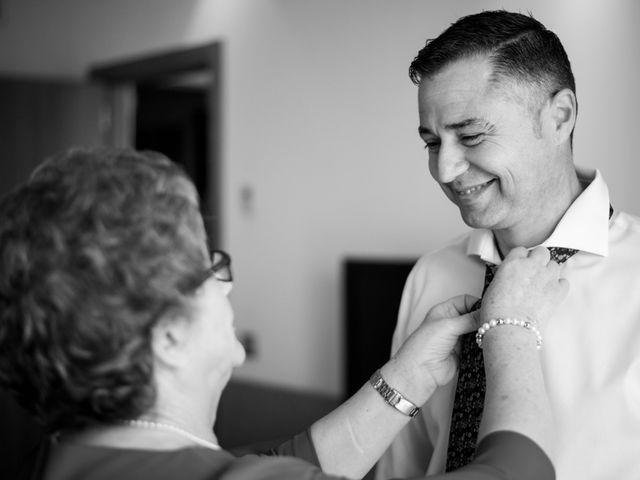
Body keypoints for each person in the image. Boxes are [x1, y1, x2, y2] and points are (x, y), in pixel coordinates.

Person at [0, 147, 566, 480]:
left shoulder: (56, 458)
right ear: (167, 334)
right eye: (209, 264)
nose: (227, 283)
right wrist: (511, 329)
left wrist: (408, 378)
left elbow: (275, 463)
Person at [375, 9, 640, 480]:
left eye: (471, 135)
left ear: (559, 117)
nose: (445, 170)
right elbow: (404, 466)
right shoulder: (430, 277)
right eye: (432, 143)